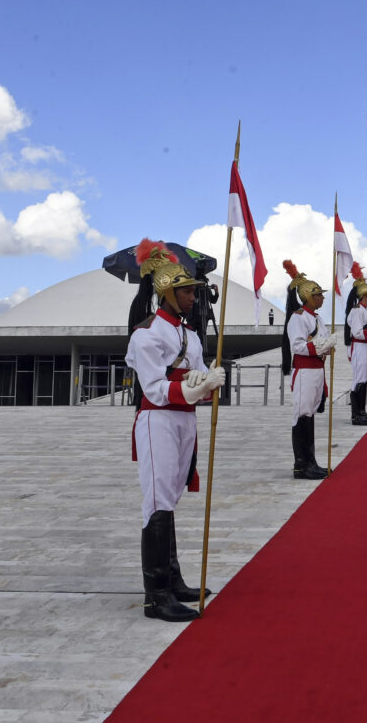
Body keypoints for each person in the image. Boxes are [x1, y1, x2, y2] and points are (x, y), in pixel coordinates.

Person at [126, 240, 225, 622]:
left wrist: (208, 382)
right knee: (157, 502)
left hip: (184, 419)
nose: (192, 297)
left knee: (172, 497)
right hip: (159, 419)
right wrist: (197, 386)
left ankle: (173, 577)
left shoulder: (190, 334)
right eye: (186, 291)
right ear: (167, 292)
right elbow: (153, 388)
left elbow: (194, 374)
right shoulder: (147, 333)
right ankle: (157, 595)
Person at [281, 260, 334, 480]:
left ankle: (311, 460)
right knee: (302, 414)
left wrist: (325, 348)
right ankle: (301, 464)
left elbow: (320, 342)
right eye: (319, 295)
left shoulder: (317, 318)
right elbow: (297, 346)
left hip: (317, 369)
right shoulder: (298, 317)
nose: (322, 297)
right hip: (304, 371)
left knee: (310, 414)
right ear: (309, 297)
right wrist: (319, 347)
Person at [343, 263, 367, 426]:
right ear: (365, 295)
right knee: (359, 379)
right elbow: (357, 332)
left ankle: (361, 411)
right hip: (360, 345)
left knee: (363, 377)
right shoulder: (357, 310)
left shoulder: (362, 310)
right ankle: (357, 414)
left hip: (364, 346)